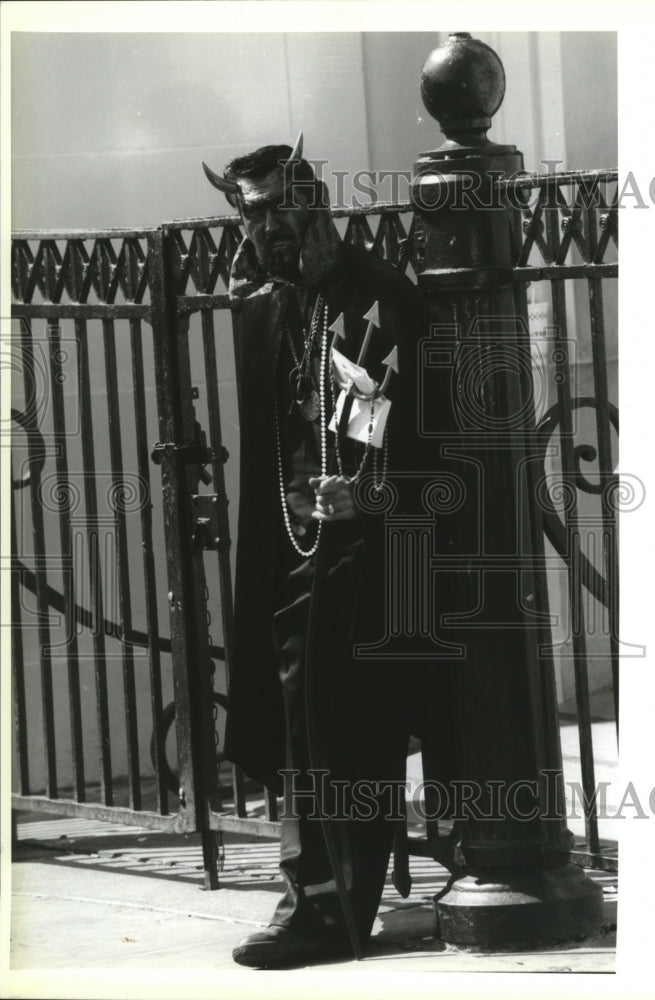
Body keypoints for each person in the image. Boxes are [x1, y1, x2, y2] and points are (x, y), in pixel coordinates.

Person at [202, 136, 453, 969]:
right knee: (298, 730)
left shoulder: (384, 300)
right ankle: (306, 899)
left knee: (351, 729)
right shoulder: (268, 307)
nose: (265, 227)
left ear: (312, 197)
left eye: (278, 206)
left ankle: (332, 913)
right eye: (248, 212)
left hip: (377, 562)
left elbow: (442, 462)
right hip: (291, 554)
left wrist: (368, 499)